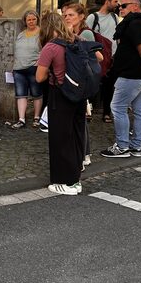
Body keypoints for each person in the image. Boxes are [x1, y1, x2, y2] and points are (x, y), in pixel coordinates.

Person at [100, 0, 141, 158]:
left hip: (132, 74)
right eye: (118, 6)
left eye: (123, 6)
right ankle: (135, 146)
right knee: (140, 110)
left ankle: (122, 146)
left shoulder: (135, 24)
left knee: (117, 107)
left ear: (135, 7)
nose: (119, 8)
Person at [35, 12, 85, 196]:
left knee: (60, 139)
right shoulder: (77, 40)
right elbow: (99, 58)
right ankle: (76, 175)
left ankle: (67, 182)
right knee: (76, 135)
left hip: (61, 94)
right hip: (79, 93)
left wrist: (52, 70)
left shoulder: (51, 47)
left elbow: (39, 77)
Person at [63, 2, 104, 170]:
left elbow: (98, 57)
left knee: (79, 120)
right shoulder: (68, 32)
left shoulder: (85, 33)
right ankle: (84, 153)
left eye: (71, 15)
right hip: (73, 82)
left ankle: (82, 154)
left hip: (80, 83)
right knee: (79, 120)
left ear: (81, 17)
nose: (67, 17)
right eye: (65, 15)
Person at [8, 10, 42, 129]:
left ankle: (37, 117)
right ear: (25, 21)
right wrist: (13, 66)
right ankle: (21, 119)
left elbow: (46, 50)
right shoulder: (21, 34)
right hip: (19, 69)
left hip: (34, 67)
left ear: (37, 19)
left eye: (34, 19)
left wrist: (39, 63)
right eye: (29, 20)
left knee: (36, 93)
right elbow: (16, 51)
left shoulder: (41, 33)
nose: (31, 21)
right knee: (20, 94)